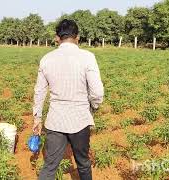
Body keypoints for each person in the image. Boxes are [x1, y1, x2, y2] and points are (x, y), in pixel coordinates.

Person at [32, 19, 104, 180]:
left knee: (50, 166)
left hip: (55, 120)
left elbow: (39, 91)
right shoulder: (87, 57)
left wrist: (37, 118)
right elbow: (97, 92)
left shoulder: (47, 59)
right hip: (80, 118)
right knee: (83, 163)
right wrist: (94, 107)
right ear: (77, 37)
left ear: (57, 37)